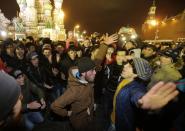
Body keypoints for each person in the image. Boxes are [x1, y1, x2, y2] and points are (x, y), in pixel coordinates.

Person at [51, 57, 96, 131]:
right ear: (83, 73)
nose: (95, 72)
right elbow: (54, 106)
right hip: (80, 122)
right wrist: (67, 113)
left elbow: (98, 59)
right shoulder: (75, 90)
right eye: (92, 70)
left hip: (89, 115)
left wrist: (105, 45)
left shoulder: (87, 76)